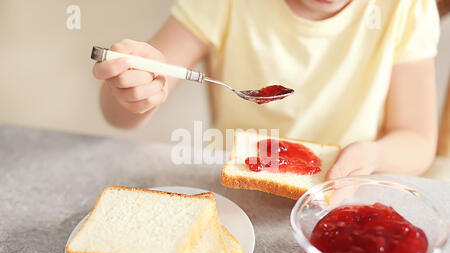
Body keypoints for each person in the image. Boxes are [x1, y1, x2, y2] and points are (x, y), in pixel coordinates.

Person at [93, 0, 440, 180]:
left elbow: (417, 140)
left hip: (343, 190)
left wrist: (375, 156)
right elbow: (120, 117)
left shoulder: (405, 9)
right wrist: (132, 90)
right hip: (234, 190)